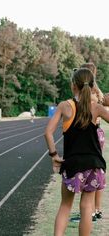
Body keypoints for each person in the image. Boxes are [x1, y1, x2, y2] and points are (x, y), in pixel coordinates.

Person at [45, 68, 108, 236]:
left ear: (73, 85)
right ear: (93, 86)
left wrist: (54, 155)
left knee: (65, 205)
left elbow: (48, 133)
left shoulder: (65, 106)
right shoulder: (97, 108)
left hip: (73, 165)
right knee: (87, 207)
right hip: (94, 164)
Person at [80, 62, 105, 221]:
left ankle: (91, 211)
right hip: (97, 133)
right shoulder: (97, 91)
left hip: (91, 134)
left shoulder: (90, 93)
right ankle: (95, 209)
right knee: (96, 172)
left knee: (92, 174)